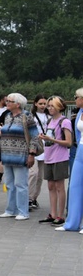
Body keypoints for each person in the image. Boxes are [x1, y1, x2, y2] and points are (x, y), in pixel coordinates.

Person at [0, 93, 39, 221]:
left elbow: (34, 136)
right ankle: (10, 210)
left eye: (10, 101)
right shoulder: (7, 116)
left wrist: (31, 154)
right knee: (9, 184)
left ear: (18, 104)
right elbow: (4, 135)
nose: (7, 103)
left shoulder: (27, 116)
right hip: (7, 155)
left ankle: (23, 211)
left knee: (21, 184)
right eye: (7, 100)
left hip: (20, 155)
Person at [37, 96, 73, 225]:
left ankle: (60, 215)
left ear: (60, 107)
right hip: (49, 156)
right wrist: (43, 137)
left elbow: (68, 142)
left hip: (60, 157)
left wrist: (52, 139)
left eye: (53, 106)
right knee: (50, 186)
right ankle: (52, 214)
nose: (50, 108)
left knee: (59, 186)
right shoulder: (49, 121)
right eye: (49, 105)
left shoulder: (65, 122)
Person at [56, 88, 83, 234]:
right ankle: (72, 223)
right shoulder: (79, 113)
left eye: (76, 97)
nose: (75, 99)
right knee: (74, 186)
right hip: (80, 150)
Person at [28, 95, 49, 205]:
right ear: (35, 103)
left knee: (40, 176)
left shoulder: (48, 116)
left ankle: (34, 198)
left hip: (45, 147)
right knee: (33, 173)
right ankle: (28, 197)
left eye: (44, 104)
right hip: (34, 145)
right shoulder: (31, 116)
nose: (43, 106)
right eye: (40, 103)